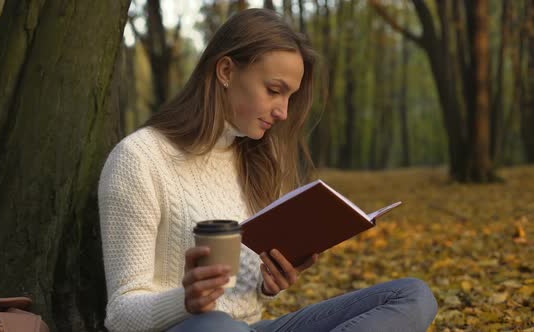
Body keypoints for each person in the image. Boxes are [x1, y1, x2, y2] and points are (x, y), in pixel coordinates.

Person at [98, 8, 438, 332]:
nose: (284, 112)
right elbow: (120, 316)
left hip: (252, 328)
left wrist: (268, 283)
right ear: (226, 71)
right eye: (275, 91)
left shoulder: (257, 158)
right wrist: (186, 301)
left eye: (290, 97)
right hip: (198, 328)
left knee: (412, 296)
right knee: (215, 325)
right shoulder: (140, 159)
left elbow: (247, 296)